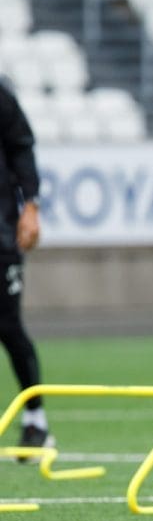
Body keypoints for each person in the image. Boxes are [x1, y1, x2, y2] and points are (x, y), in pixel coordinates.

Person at [0, 82, 52, 456]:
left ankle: (36, 419)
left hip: (0, 233)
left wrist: (30, 205)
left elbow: (21, 147)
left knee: (8, 327)